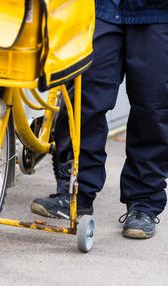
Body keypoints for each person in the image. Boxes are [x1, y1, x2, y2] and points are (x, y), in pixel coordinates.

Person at [30, 0, 168, 239]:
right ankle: (76, 192)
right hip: (102, 9)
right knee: (84, 99)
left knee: (153, 108)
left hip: (157, 12)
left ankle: (143, 203)